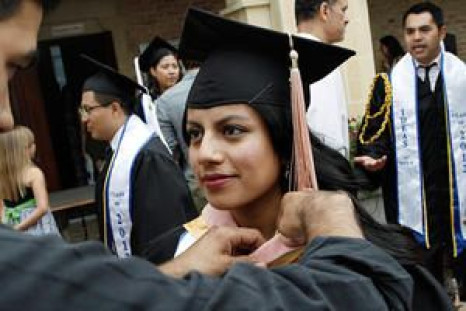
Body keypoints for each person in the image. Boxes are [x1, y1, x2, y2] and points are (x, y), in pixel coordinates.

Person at [0, 2, 439, 310]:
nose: (204, 154)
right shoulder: (171, 255)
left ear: (287, 143)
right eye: (194, 133)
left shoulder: (388, 265)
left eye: (232, 130)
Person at [355, 1, 466, 301]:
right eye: (410, 31)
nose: (416, 37)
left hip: (457, 195)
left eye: (424, 30)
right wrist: (374, 157)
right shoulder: (389, 84)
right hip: (412, 199)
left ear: (441, 32)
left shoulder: (462, 78)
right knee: (423, 284)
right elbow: (373, 134)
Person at [80, 55, 197, 258]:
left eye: (88, 109)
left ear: (115, 108)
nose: (84, 118)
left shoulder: (148, 156)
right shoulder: (118, 152)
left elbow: (165, 235)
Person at [295, 0, 350, 158]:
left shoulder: (291, 52)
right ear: (324, 11)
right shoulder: (319, 59)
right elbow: (328, 139)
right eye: (343, 10)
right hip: (324, 174)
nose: (346, 19)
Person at [157, 60, 207, 211]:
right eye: (165, 67)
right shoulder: (231, 83)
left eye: (174, 66)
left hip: (198, 182)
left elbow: (170, 152)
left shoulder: (165, 101)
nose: (171, 71)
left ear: (182, 64)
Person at [0, 125, 59, 235]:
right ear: (23, 150)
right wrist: (19, 228)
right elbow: (42, 207)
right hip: (36, 226)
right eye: (31, 144)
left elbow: (2, 208)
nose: (35, 146)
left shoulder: (3, 178)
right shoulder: (34, 173)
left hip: (11, 224)